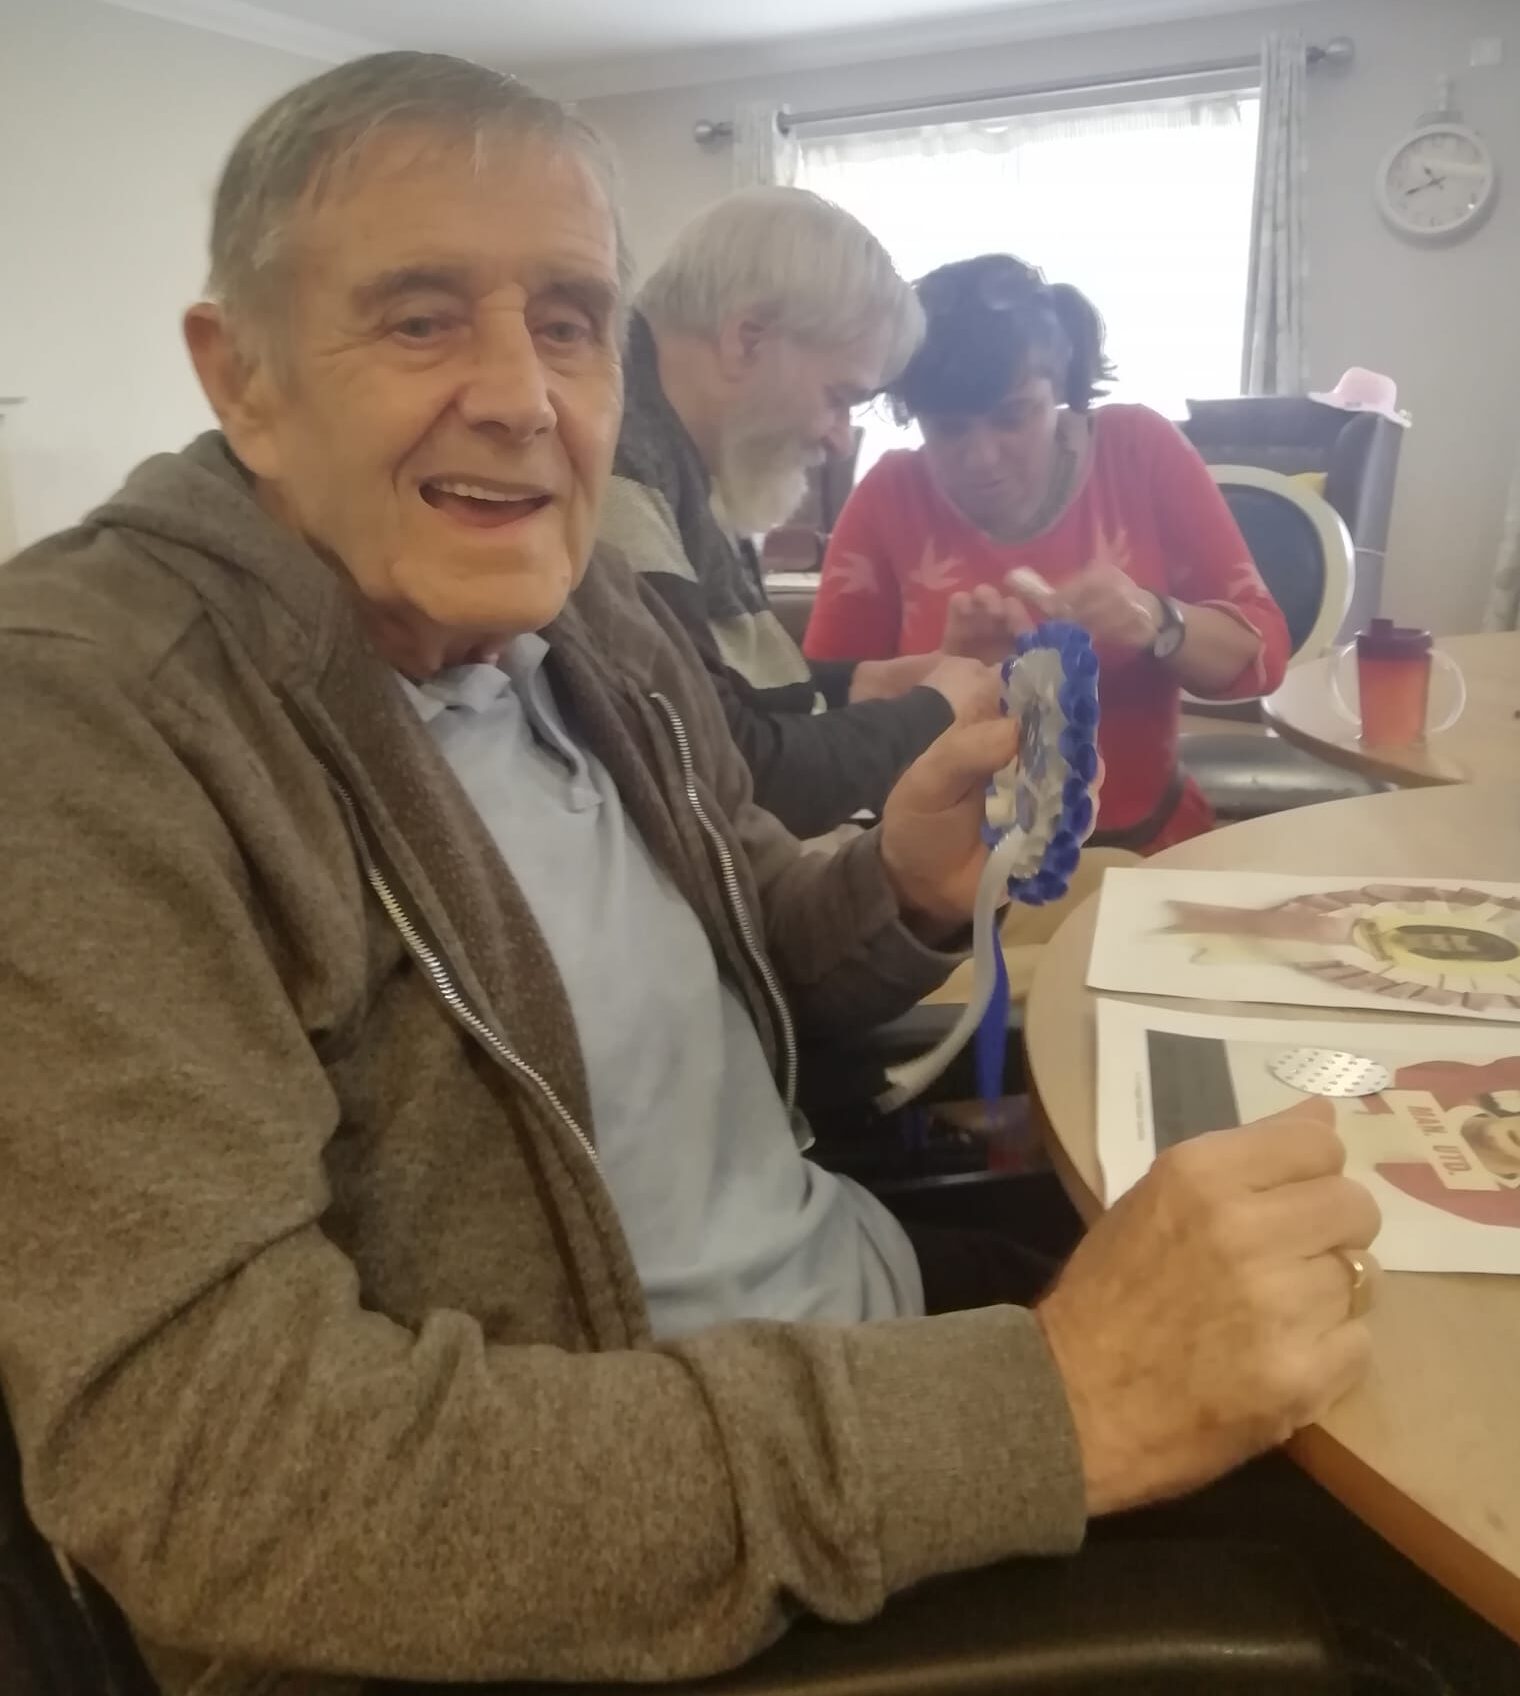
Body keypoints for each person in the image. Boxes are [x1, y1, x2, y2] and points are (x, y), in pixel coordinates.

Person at [0, 53, 1381, 1696]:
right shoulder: (89, 725)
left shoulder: (576, 608)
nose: (523, 394)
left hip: (864, 1321)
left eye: (570, 320)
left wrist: (898, 880)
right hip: (625, 1582)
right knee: (1395, 1604)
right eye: (423, 317)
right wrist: (1056, 1409)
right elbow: (216, 1475)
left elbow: (739, 931)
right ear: (245, 377)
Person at [804, 254, 1292, 853]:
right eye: (948, 429)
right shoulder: (887, 499)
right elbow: (818, 735)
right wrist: (945, 685)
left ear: (1059, 386)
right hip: (956, 878)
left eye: (1013, 417)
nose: (982, 458)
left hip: (1146, 851)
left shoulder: (1140, 451)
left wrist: (1160, 620)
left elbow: (1262, 656)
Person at [600, 188, 994, 838]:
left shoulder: (678, 456)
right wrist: (935, 712)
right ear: (747, 339)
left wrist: (863, 684)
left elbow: (712, 683)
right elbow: (736, 777)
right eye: (840, 397)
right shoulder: (617, 465)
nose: (841, 437)